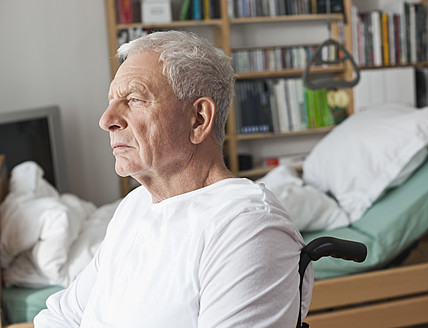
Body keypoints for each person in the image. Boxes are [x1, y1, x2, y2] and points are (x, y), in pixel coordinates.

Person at [34, 30, 313, 327]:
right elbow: (61, 316)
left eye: (135, 99)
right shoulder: (134, 206)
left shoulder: (248, 226)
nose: (107, 120)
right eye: (112, 100)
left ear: (198, 119)